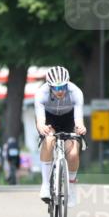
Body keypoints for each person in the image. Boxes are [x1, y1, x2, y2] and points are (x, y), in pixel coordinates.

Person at [34, 66, 86, 207]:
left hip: (68, 118)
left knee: (74, 152)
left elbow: (78, 120)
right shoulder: (41, 93)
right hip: (49, 118)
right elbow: (40, 122)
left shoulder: (76, 92)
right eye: (56, 88)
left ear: (67, 83)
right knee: (49, 140)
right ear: (50, 86)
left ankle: (72, 186)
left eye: (63, 87)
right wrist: (43, 128)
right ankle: (45, 185)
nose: (61, 91)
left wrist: (80, 127)